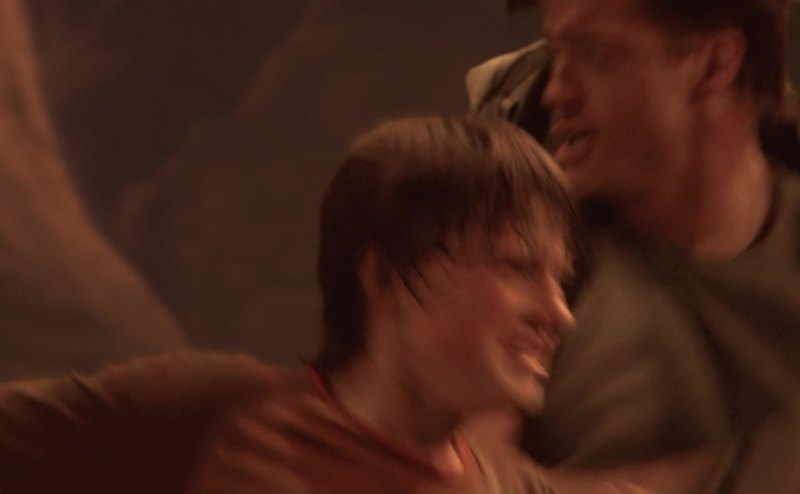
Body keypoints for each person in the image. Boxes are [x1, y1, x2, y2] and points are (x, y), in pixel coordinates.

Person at [0, 115, 587, 494]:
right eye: (517, 267)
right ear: (384, 277)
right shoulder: (210, 418)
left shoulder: (510, 488)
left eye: (559, 280)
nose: (558, 313)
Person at [467, 0, 800, 491]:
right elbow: (455, 474)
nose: (557, 91)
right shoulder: (525, 243)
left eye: (596, 55)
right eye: (557, 53)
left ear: (715, 65)